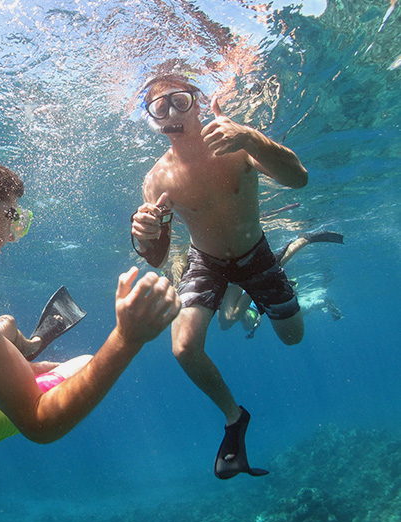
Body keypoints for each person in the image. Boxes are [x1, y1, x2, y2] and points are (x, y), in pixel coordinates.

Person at [0, 151, 181, 463]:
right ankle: (22, 349)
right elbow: (40, 424)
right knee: (81, 364)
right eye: (12, 217)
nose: (12, 237)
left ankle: (21, 349)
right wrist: (127, 338)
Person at [131, 74, 308, 479]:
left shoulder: (237, 142)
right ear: (153, 121)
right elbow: (157, 258)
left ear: (198, 101)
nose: (172, 113)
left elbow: (299, 178)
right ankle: (234, 417)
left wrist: (250, 137)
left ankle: (267, 275)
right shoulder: (156, 179)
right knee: (183, 348)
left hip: (256, 253)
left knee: (293, 337)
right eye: (160, 108)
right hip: (205, 261)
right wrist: (144, 237)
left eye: (179, 101)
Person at [217, 230, 345, 337]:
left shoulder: (248, 312)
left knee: (226, 322)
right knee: (225, 323)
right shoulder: (250, 312)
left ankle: (304, 240)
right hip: (245, 285)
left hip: (242, 280)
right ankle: (304, 240)